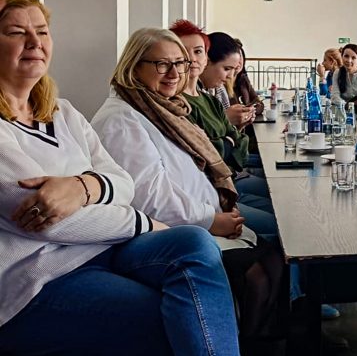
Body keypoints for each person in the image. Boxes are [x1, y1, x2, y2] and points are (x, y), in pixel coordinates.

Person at [0, 0, 239, 355]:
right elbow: (48, 222)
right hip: (38, 276)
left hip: (105, 248)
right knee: (172, 317)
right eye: (17, 32)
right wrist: (144, 223)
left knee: (194, 242)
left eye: (42, 31)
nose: (35, 42)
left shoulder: (63, 113)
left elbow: (122, 182)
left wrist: (84, 187)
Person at [92, 28, 289, 350]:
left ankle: (259, 338)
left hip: (198, 216)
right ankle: (250, 342)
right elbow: (149, 198)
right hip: (161, 232)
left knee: (275, 261)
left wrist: (217, 210)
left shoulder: (164, 108)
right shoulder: (122, 120)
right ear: (134, 66)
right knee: (259, 271)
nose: (174, 73)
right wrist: (210, 219)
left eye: (180, 64)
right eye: (161, 64)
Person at [169, 20, 277, 238]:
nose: (192, 59)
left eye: (198, 51)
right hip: (214, 193)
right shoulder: (176, 104)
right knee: (280, 224)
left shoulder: (210, 100)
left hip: (228, 182)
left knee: (282, 208)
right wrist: (227, 141)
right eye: (183, 52)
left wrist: (227, 140)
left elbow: (237, 148)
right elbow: (204, 156)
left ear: (205, 57)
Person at [201, 32, 255, 135]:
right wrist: (225, 119)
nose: (230, 76)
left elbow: (227, 133)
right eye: (227, 69)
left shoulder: (219, 89)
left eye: (234, 69)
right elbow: (199, 138)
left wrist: (239, 125)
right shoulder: (193, 95)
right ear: (206, 62)